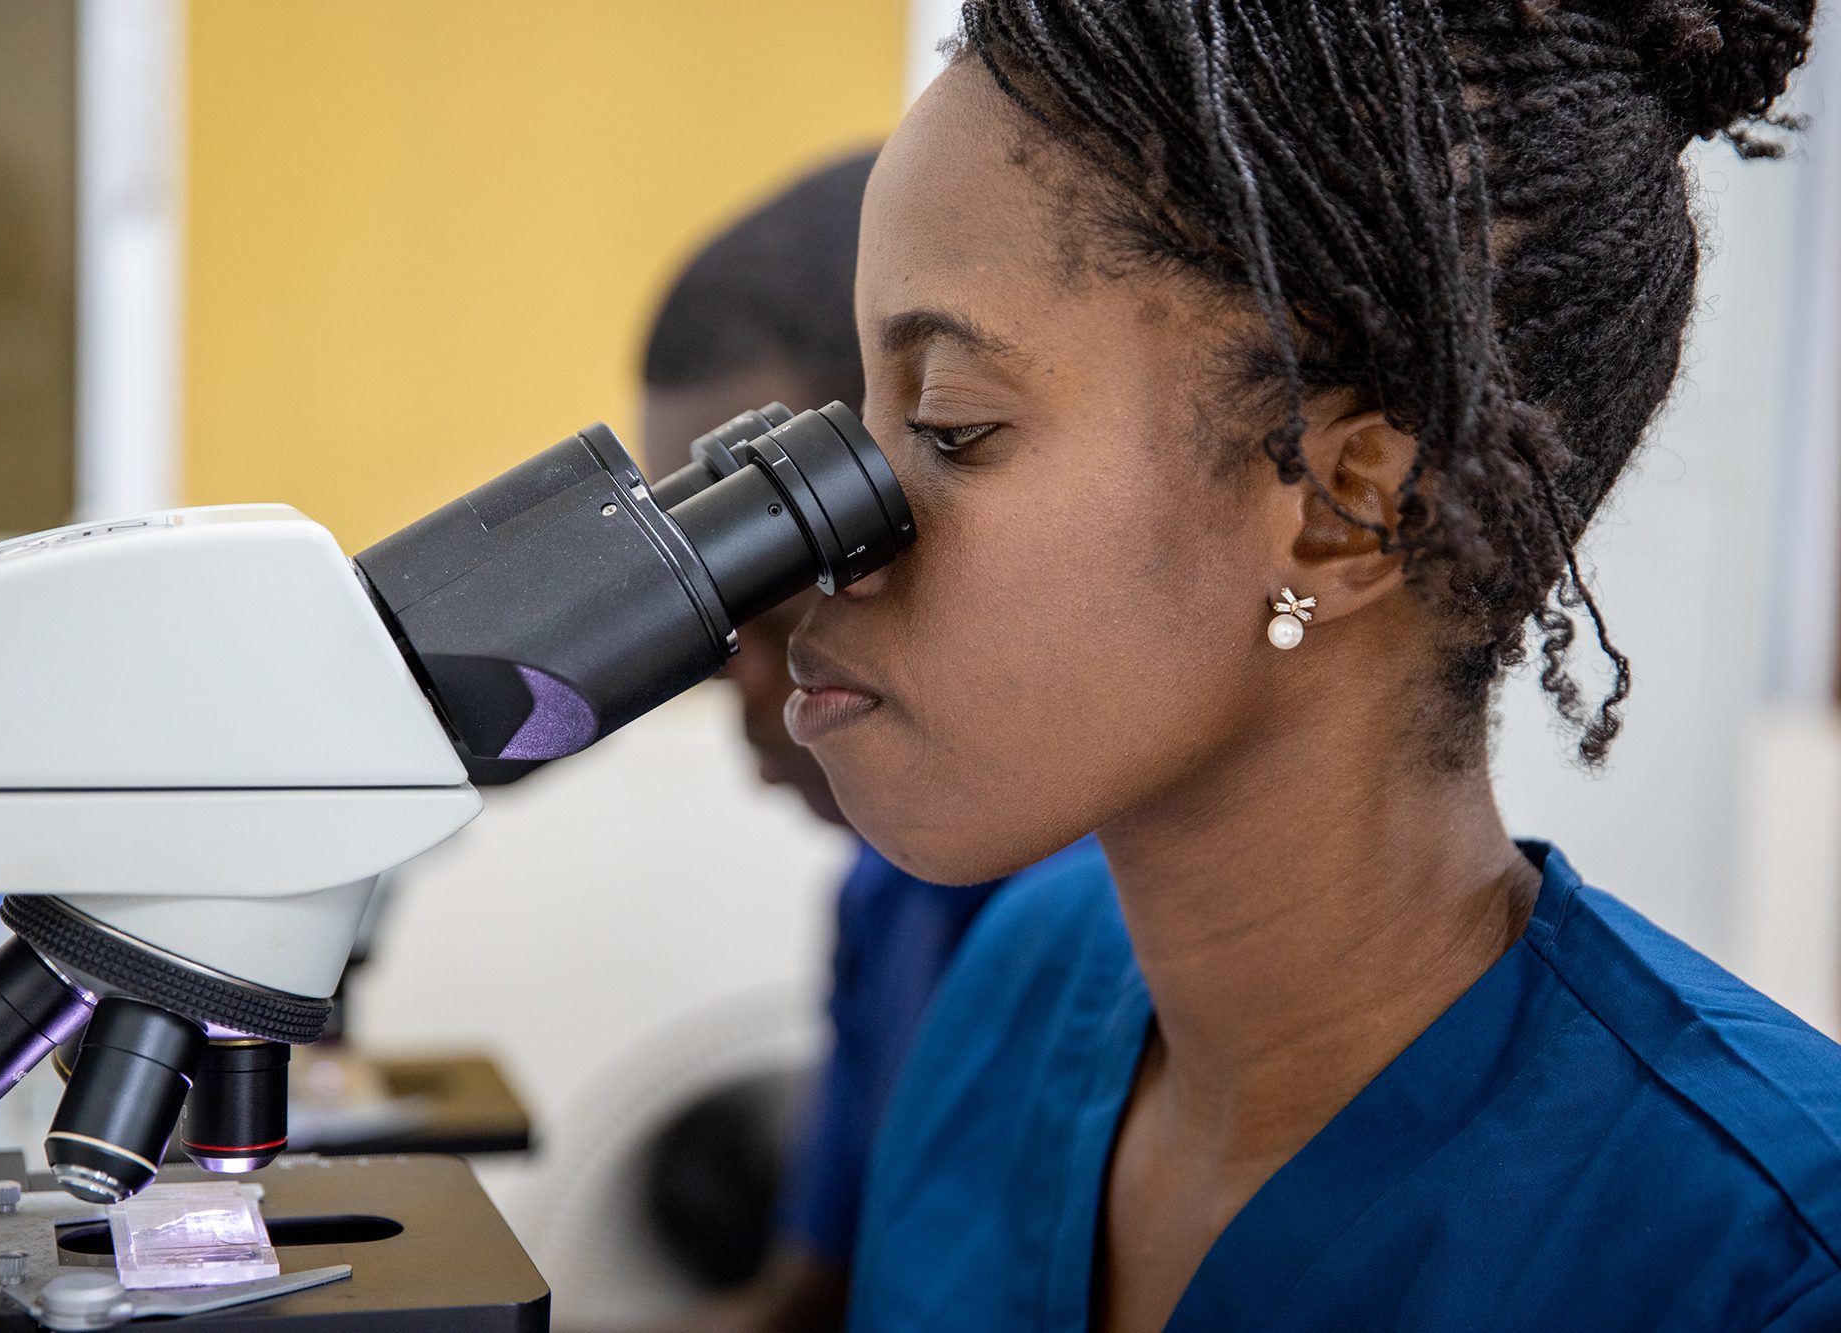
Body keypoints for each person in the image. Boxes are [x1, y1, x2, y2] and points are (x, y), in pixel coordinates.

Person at [782, 4, 1841, 1330]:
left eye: (950, 424)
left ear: (1345, 513)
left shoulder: (1764, 1265)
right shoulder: (1018, 989)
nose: (831, 541)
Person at [637, 151, 1100, 1333]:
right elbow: (809, 1305)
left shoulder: (1116, 930)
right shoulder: (884, 898)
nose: (733, 666)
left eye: (771, 567)